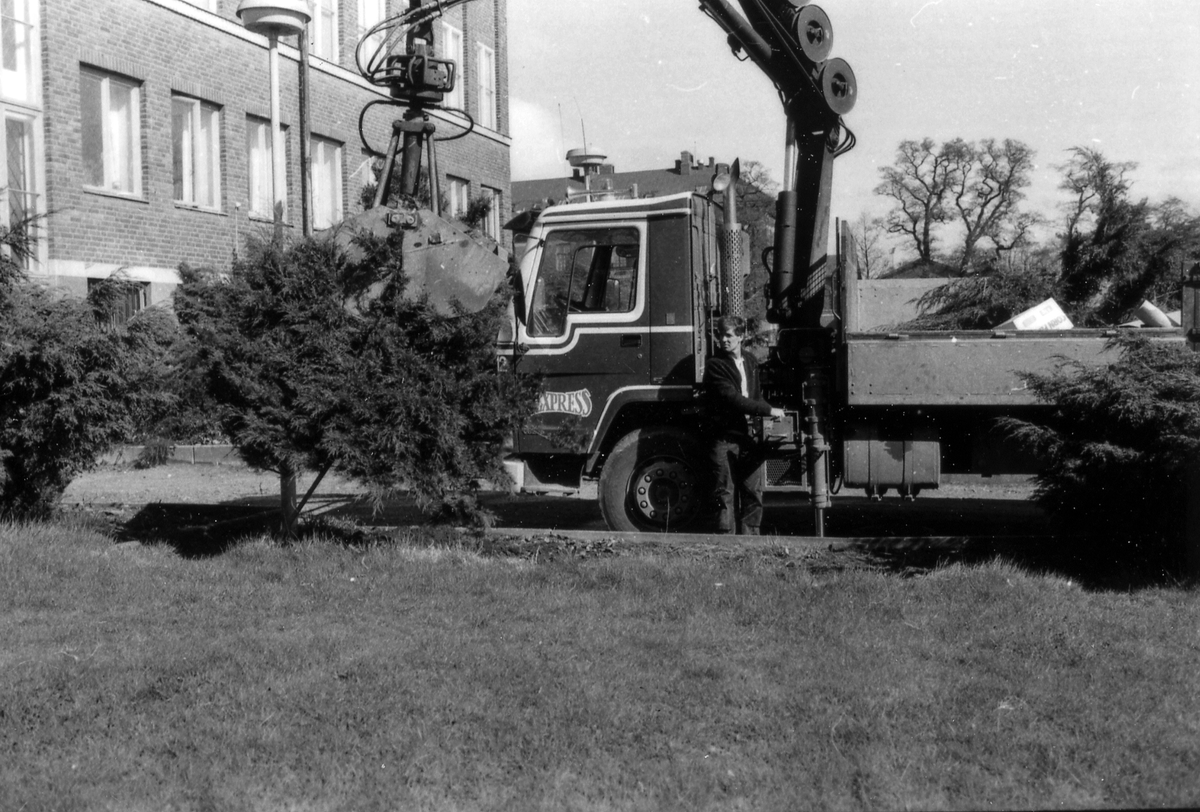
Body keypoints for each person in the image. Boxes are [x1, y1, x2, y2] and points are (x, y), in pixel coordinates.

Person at [704, 316, 785, 535]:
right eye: (720, 335)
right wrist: (768, 410)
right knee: (724, 493)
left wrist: (772, 410)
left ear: (741, 337)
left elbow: (756, 396)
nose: (723, 340)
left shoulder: (750, 361)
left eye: (729, 335)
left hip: (748, 438)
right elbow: (733, 399)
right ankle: (726, 542)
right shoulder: (715, 365)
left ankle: (751, 541)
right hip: (724, 438)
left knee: (753, 491)